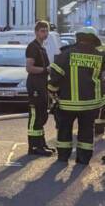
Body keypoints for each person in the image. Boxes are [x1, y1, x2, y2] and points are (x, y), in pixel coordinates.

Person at [47, 30, 105, 166]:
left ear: (78, 38)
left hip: (68, 103)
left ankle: (63, 157)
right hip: (91, 104)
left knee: (64, 130)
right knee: (86, 131)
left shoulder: (66, 53)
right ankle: (83, 159)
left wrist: (52, 91)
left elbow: (55, 77)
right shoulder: (100, 55)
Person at [25, 20, 55, 155]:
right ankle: (34, 147)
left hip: (42, 84)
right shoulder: (33, 47)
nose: (45, 33)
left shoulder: (41, 47)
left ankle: (41, 144)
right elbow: (29, 68)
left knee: (42, 115)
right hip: (35, 85)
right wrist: (46, 70)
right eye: (42, 31)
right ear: (36, 32)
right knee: (35, 115)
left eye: (47, 30)